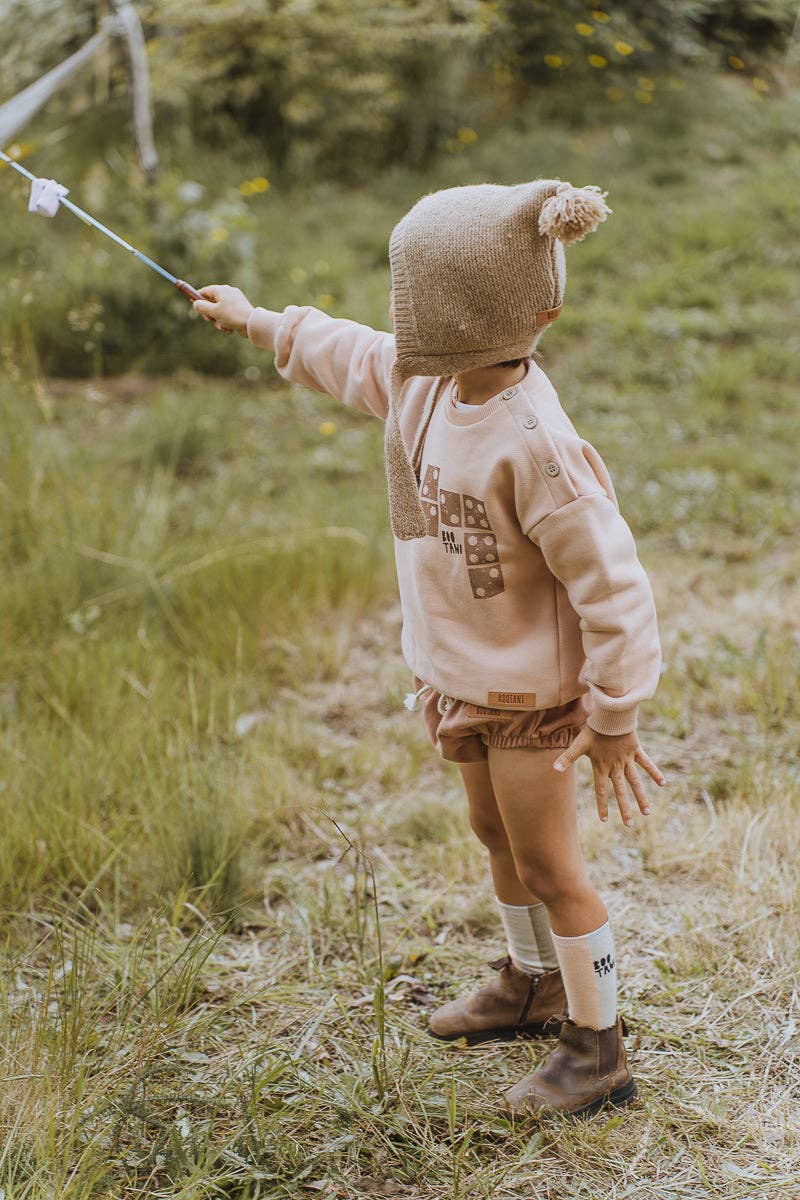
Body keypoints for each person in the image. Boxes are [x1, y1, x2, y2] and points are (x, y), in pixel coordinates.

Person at [192, 178, 666, 1120]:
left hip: (531, 698)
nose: (405, 325)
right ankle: (532, 982)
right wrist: (256, 321)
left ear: (516, 315)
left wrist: (614, 717)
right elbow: (347, 351)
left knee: (552, 868)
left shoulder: (538, 448)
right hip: (458, 677)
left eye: (421, 307)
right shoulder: (426, 379)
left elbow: (616, 591)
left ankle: (598, 1047)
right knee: (496, 838)